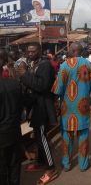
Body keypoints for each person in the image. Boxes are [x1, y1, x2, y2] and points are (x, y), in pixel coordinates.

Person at [52, 43, 91, 172]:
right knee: (83, 134)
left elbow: (57, 89)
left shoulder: (64, 65)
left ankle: (66, 163)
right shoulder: (87, 64)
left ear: (71, 51)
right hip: (82, 105)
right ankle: (83, 165)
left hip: (67, 106)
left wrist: (57, 103)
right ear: (79, 51)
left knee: (67, 134)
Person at [16, 43, 58, 185]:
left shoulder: (45, 64)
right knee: (38, 137)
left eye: (33, 51)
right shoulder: (33, 63)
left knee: (42, 137)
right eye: (28, 51)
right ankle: (41, 162)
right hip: (34, 107)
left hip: (42, 107)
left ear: (39, 51)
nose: (30, 54)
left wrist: (25, 75)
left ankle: (51, 169)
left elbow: (41, 86)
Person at [0, 49, 22, 185]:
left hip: (2, 135)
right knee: (14, 165)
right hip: (14, 131)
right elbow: (21, 107)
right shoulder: (14, 84)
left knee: (2, 168)